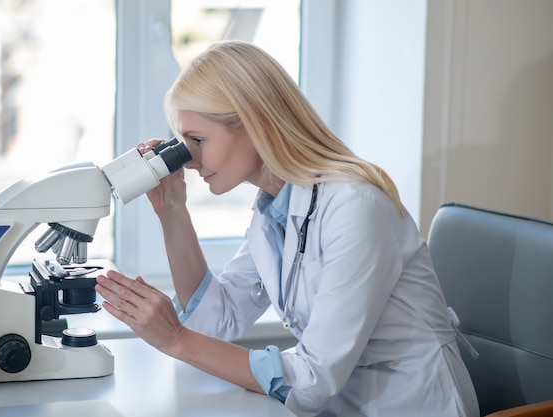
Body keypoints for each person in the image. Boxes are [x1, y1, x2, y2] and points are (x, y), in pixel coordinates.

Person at [94, 40, 479, 417]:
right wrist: (172, 211)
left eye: (197, 140)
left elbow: (313, 381)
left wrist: (176, 339)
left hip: (413, 404)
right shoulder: (274, 211)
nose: (190, 161)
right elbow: (217, 322)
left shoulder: (355, 208)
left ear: (255, 122)